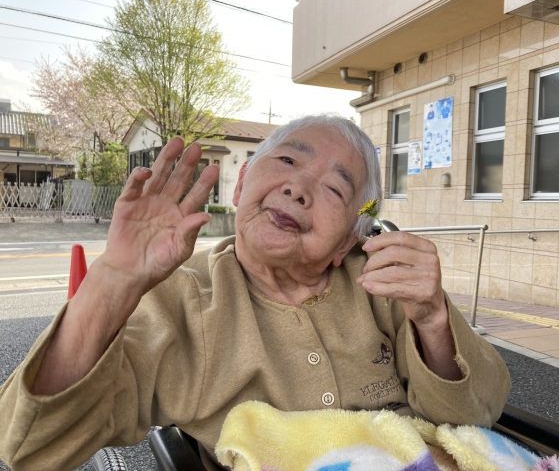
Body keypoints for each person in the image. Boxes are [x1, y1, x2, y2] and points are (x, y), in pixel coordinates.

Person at [0, 115, 510, 471]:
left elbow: (478, 415)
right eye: (286, 160)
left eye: (335, 189)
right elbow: (30, 446)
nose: (298, 189)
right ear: (241, 184)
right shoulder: (180, 299)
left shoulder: (385, 286)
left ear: (349, 240)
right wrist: (112, 281)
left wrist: (434, 319)